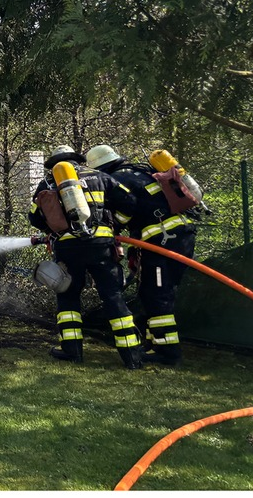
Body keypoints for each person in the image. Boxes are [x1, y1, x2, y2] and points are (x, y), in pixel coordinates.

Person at [29, 145, 143, 368]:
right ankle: (132, 355)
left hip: (68, 248)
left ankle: (72, 351)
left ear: (54, 165)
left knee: (68, 295)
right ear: (77, 160)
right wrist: (117, 223)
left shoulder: (48, 183)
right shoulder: (100, 177)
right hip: (101, 245)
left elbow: (34, 217)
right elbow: (130, 203)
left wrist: (53, 230)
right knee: (112, 296)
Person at [86, 144, 198, 366]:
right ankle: (154, 342)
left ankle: (168, 352)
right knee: (151, 291)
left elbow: (127, 210)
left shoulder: (116, 181)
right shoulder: (142, 172)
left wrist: (113, 228)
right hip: (177, 236)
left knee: (157, 294)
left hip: (163, 240)